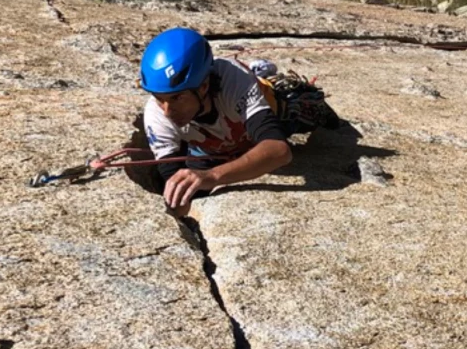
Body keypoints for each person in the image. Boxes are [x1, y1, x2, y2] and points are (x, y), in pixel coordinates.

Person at [139, 27, 338, 215]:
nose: (167, 111)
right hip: (211, 150)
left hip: (276, 118)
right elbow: (173, 184)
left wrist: (212, 176)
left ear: (203, 86)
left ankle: (294, 95)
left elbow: (279, 150)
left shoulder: (233, 79)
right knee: (191, 184)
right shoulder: (155, 114)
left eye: (177, 98)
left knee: (299, 111)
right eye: (159, 98)